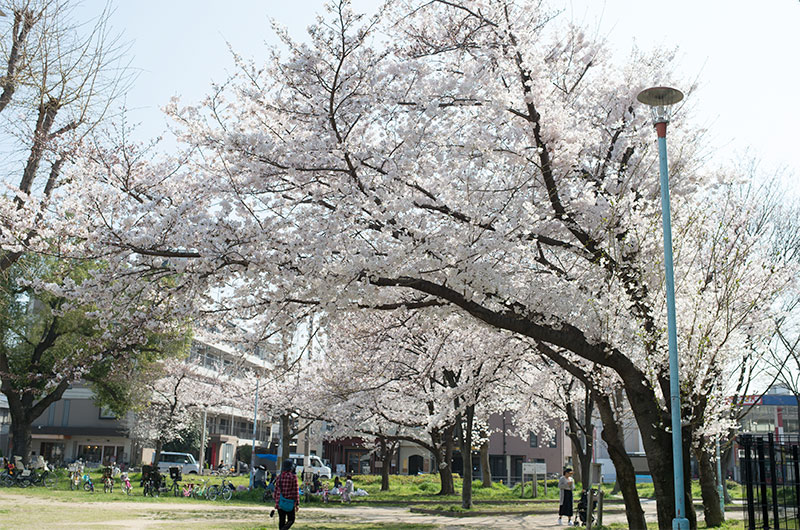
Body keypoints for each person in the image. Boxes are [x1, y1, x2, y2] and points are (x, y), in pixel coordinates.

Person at [273, 459, 300, 530]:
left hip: (280, 502)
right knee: (291, 519)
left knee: (281, 520)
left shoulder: (279, 477)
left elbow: (275, 490)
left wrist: (276, 501)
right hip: (289, 503)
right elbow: (295, 491)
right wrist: (297, 504)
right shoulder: (293, 477)